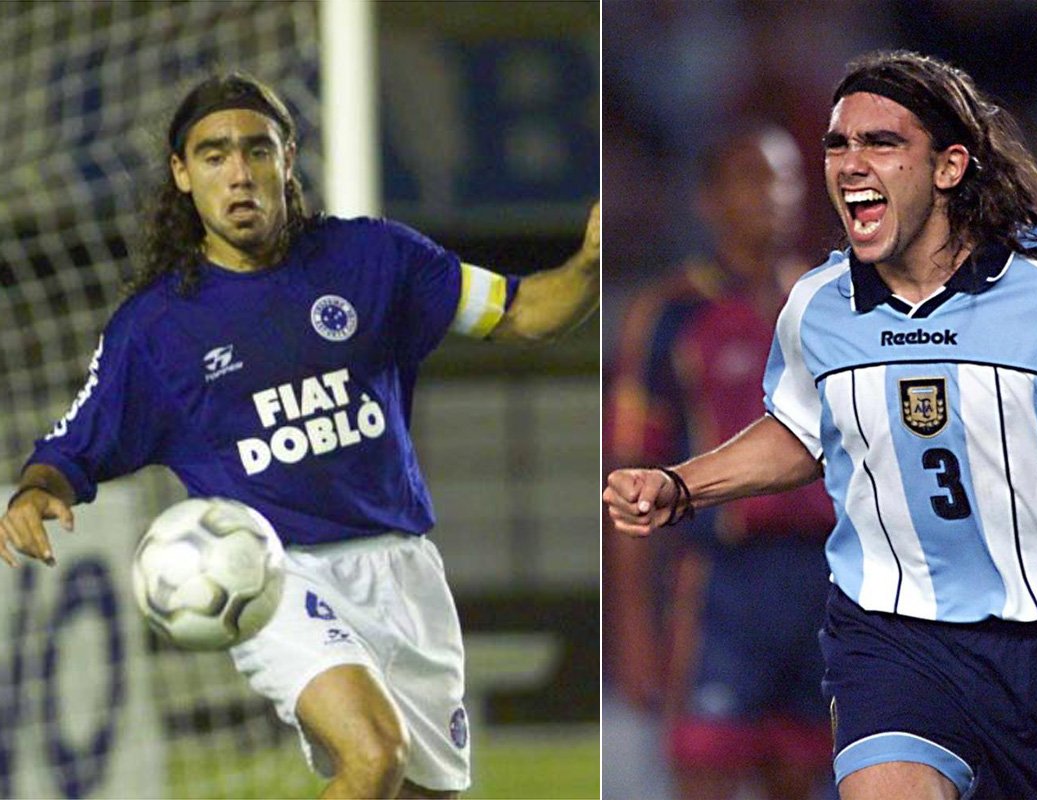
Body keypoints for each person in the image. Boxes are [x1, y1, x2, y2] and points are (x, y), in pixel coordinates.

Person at [605, 49, 1037, 800]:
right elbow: (799, 429)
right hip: (892, 637)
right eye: (838, 144)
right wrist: (679, 486)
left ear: (950, 167)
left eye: (881, 143)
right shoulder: (820, 305)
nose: (850, 164)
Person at [0, 72, 598, 800]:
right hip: (272, 576)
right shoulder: (157, 329)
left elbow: (522, 313)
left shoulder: (375, 258)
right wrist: (35, 492)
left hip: (402, 572)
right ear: (182, 175)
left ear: (288, 159)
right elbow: (73, 449)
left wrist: (591, 262)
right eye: (214, 155)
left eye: (256, 150)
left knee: (408, 789)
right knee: (374, 756)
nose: (239, 173)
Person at [606, 123, 834, 800]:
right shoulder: (670, 315)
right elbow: (628, 475)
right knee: (705, 775)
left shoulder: (837, 306)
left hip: (826, 582)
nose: (775, 195)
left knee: (803, 776)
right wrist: (634, 632)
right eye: (752, 177)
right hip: (720, 587)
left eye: (788, 177)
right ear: (709, 199)